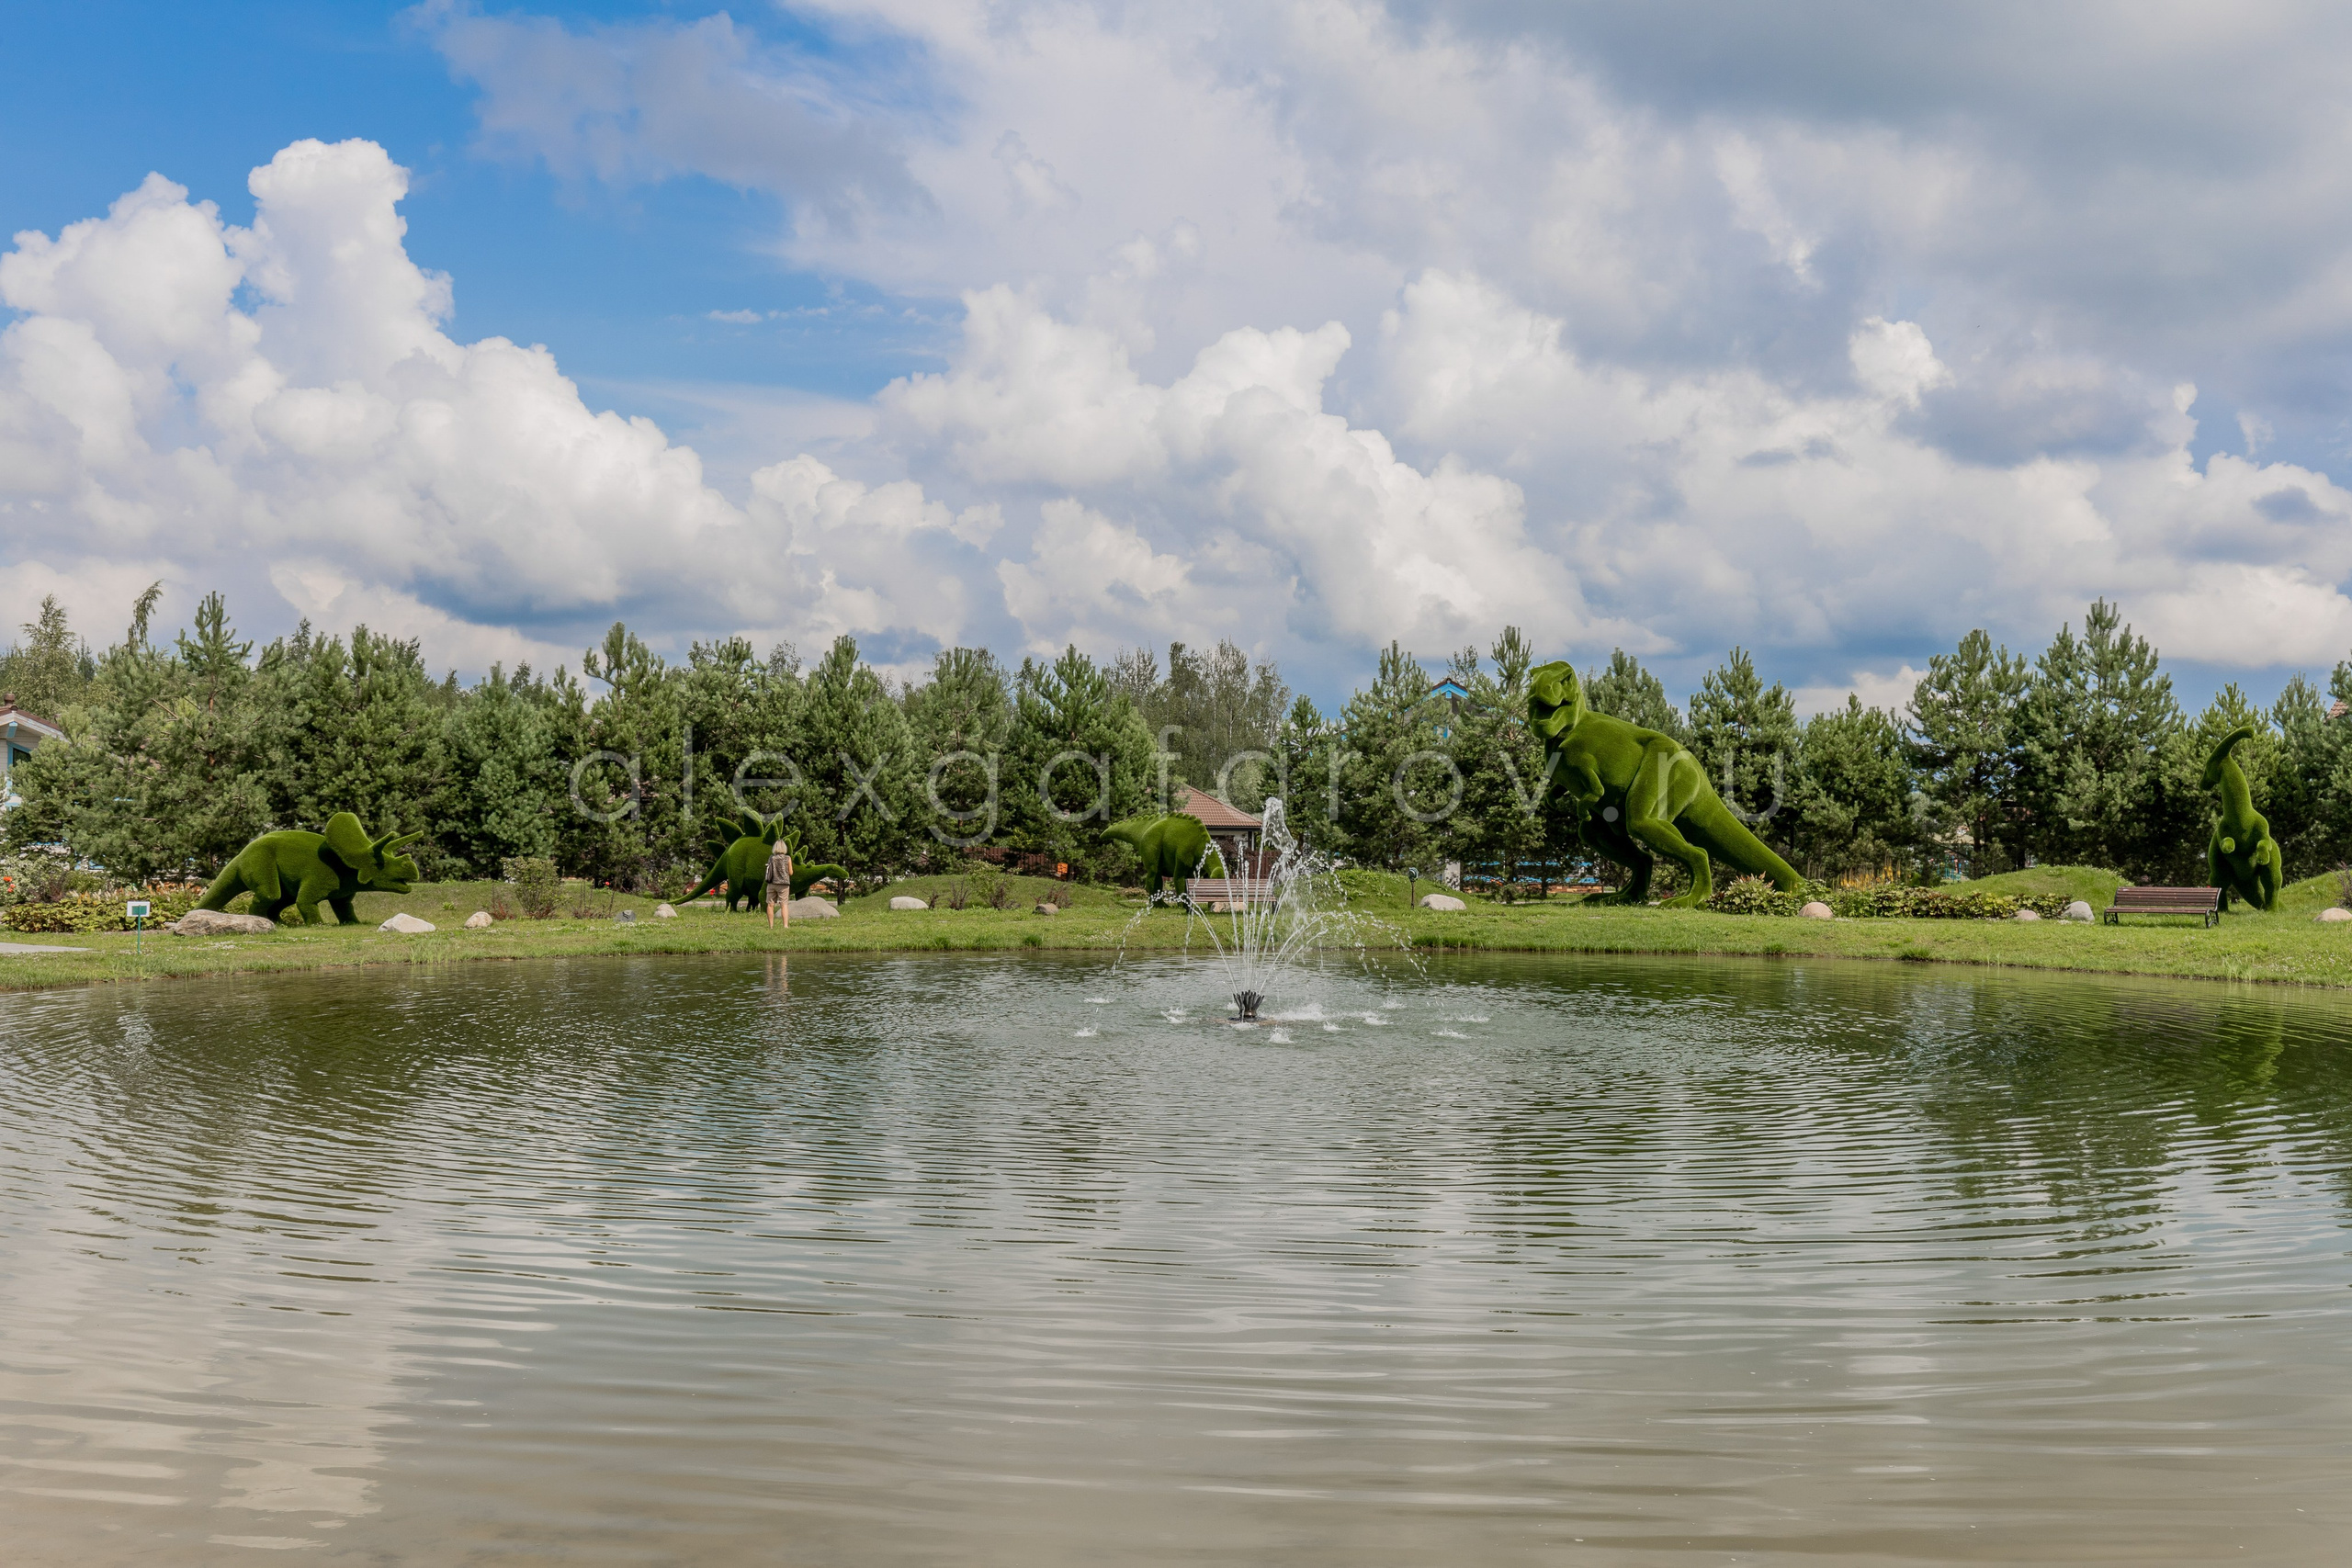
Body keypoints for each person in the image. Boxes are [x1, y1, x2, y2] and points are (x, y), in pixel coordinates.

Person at [766, 838, 793, 929]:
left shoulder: (771, 858)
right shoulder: (787, 858)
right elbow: (790, 872)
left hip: (772, 883)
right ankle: (785, 925)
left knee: (770, 905)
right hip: (784, 884)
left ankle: (771, 926)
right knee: (784, 905)